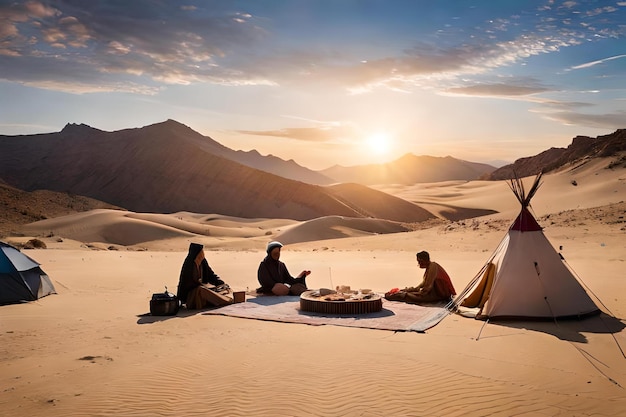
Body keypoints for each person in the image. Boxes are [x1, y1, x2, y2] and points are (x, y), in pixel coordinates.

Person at [385, 251, 456, 304]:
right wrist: (407, 290)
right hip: (435, 292)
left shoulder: (433, 267)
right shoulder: (430, 267)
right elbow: (422, 285)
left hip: (441, 294)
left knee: (405, 296)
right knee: (403, 294)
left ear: (425, 260)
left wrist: (409, 294)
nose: (419, 264)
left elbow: (426, 289)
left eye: (420, 261)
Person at [177, 243, 233, 309]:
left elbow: (211, 275)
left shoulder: (203, 262)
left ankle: (220, 299)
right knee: (202, 290)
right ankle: (227, 301)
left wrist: (221, 283)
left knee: (223, 288)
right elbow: (188, 284)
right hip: (191, 296)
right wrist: (205, 287)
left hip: (204, 288)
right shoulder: (189, 265)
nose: (203, 253)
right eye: (201, 252)